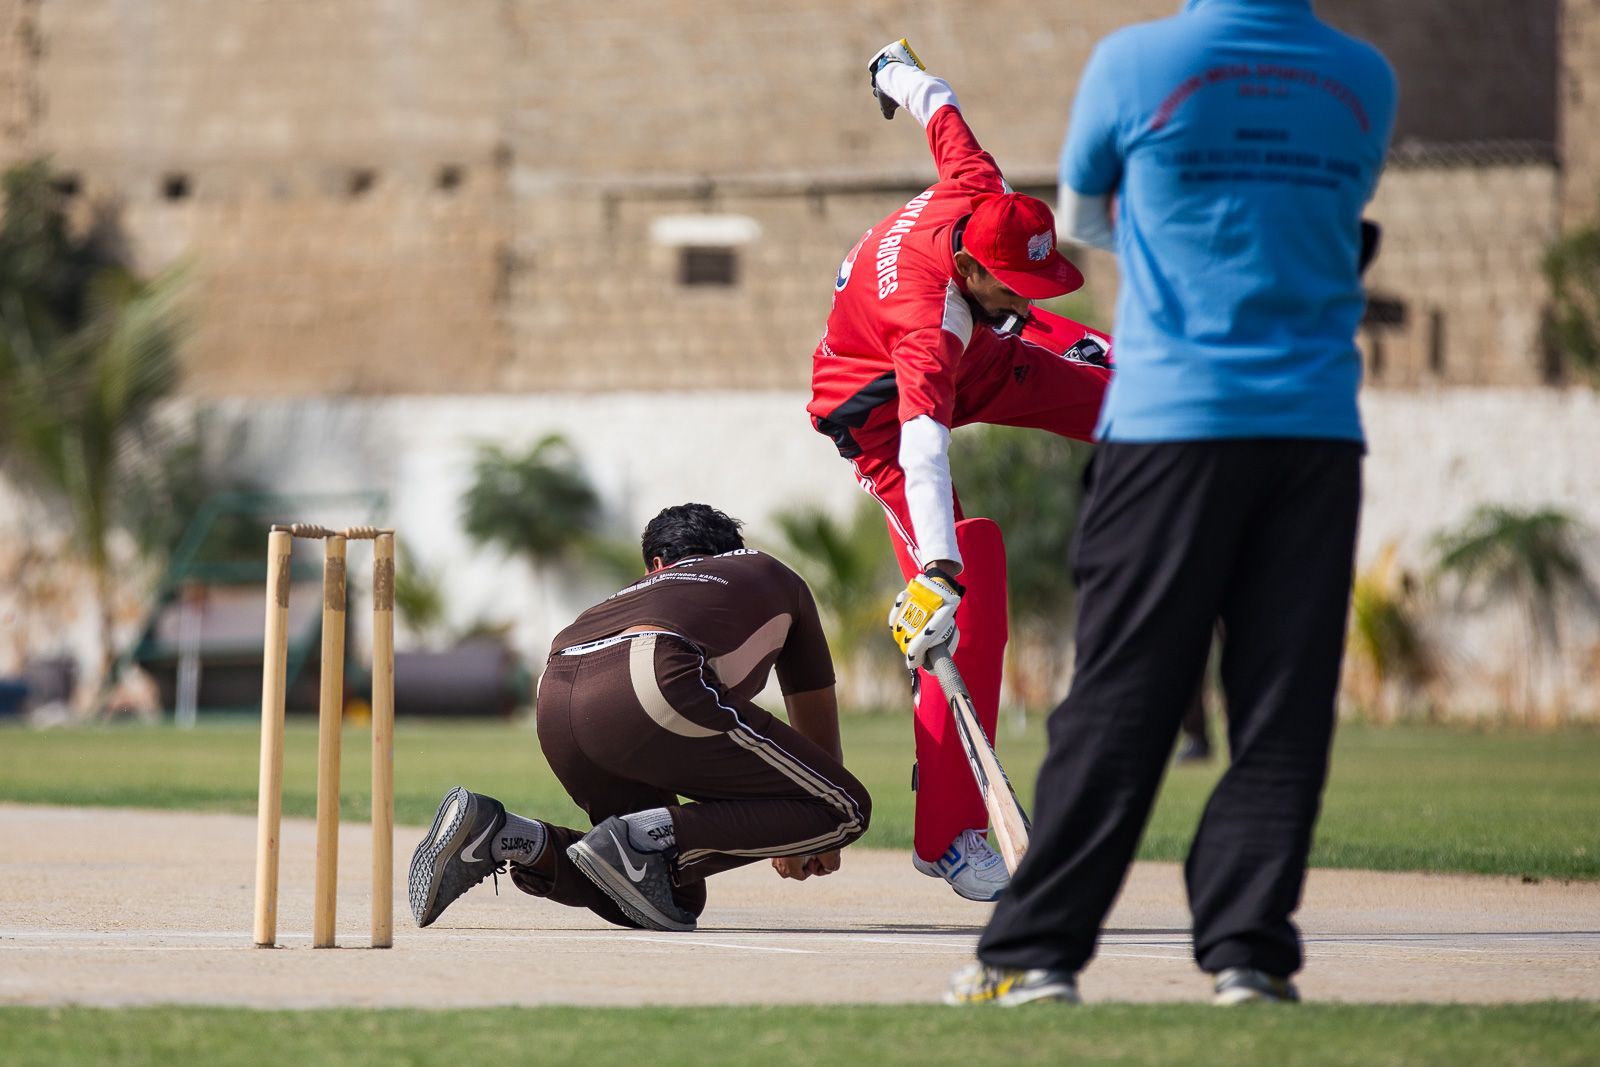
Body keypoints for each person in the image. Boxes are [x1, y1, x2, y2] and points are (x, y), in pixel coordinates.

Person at [950, 1, 1396, 1005]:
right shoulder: (1366, 76)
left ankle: (1034, 955)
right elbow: (1325, 219)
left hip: (1168, 422)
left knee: (1120, 693)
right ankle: (1249, 953)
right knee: (1282, 704)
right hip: (1315, 428)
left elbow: (1084, 220)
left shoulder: (1134, 62)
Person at [807, 39, 1111, 902]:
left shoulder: (982, 190)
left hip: (977, 356)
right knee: (970, 598)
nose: (1030, 297)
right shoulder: (926, 328)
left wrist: (890, 70)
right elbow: (922, 449)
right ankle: (947, 837)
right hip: (875, 414)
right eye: (1017, 286)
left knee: (1140, 405)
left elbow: (937, 101)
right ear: (974, 268)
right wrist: (939, 573)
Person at [408, 503, 870, 933]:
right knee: (846, 807)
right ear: (731, 550)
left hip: (555, 692)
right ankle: (644, 836)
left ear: (656, 565)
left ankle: (507, 837)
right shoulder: (769, 573)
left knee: (669, 894)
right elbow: (817, 731)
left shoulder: (633, 593)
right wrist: (808, 832)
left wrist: (788, 825)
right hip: (651, 674)